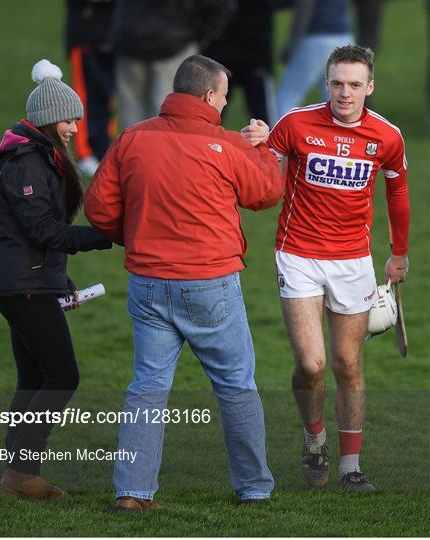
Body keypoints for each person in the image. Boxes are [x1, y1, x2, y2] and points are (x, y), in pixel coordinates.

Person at [84, 54, 284, 510]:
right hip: (210, 284)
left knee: (147, 387)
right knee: (236, 386)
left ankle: (133, 492)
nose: (226, 103)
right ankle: (254, 488)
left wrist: (134, 233)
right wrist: (262, 149)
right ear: (210, 95)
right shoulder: (228, 143)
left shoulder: (132, 138)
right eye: (225, 96)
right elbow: (266, 194)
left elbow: (98, 209)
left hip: (148, 284)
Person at [241, 45, 410, 492]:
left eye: (355, 84)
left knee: (346, 363)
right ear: (326, 83)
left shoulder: (387, 136)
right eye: (337, 82)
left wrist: (399, 253)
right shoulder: (295, 124)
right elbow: (265, 186)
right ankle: (314, 437)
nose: (345, 93)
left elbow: (398, 193)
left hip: (354, 260)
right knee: (311, 363)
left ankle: (351, 466)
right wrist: (257, 145)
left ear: (370, 86)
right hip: (297, 254)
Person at [0, 59, 112, 498]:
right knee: (62, 375)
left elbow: (33, 237)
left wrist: (63, 281)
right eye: (68, 119)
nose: (75, 128)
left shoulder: (33, 158)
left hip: (27, 281)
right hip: (24, 286)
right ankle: (22, 472)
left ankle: (16, 471)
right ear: (46, 120)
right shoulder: (27, 164)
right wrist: (104, 236)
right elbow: (43, 230)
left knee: (35, 376)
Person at [111, 0, 236, 130]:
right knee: (166, 111)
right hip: (168, 39)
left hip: (144, 38)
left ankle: (135, 149)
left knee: (141, 111)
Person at [202, 0, 277, 126]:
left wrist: (265, 63)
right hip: (222, 58)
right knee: (211, 113)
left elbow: (266, 21)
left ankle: (270, 144)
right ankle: (202, 143)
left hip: (251, 58)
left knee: (262, 116)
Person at [276, 0, 354, 119]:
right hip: (344, 37)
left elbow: (305, 7)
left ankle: (282, 136)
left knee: (287, 98)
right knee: (336, 99)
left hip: (316, 38)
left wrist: (292, 44)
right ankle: (338, 136)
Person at [65, 0, 116, 176]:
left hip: (113, 36)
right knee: (84, 97)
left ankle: (104, 149)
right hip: (85, 36)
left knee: (107, 96)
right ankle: (84, 153)